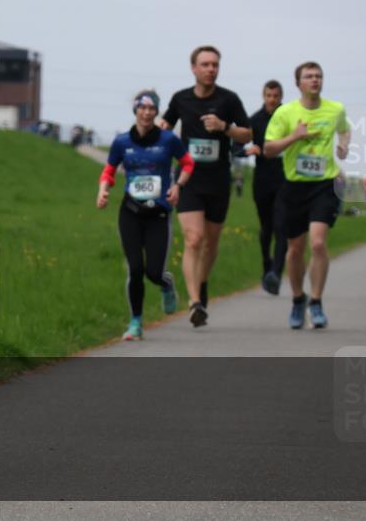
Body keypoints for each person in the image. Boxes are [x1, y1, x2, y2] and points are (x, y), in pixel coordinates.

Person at [159, 46, 251, 327]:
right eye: (205, 64)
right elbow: (166, 125)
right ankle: (195, 301)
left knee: (211, 243)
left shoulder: (229, 99)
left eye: (215, 64)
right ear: (194, 68)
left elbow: (247, 133)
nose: (211, 69)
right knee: (194, 239)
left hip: (218, 180)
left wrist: (224, 127)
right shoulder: (181, 99)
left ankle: (203, 281)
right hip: (189, 179)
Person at [97, 90, 194, 340]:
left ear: (156, 112)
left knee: (153, 271)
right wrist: (103, 191)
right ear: (136, 110)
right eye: (143, 108)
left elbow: (188, 163)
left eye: (152, 109)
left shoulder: (168, 139)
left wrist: (178, 186)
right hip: (130, 212)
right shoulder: (121, 142)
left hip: (158, 213)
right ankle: (135, 322)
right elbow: (109, 170)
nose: (147, 113)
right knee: (136, 268)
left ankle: (165, 283)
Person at [264, 61, 350, 329]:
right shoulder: (285, 113)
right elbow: (268, 149)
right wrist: (294, 136)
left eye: (319, 76)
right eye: (309, 76)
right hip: (295, 187)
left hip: (325, 184)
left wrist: (343, 145)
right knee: (294, 250)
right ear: (298, 83)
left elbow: (344, 128)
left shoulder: (335, 109)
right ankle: (298, 299)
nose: (315, 80)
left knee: (318, 243)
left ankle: (316, 301)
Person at [233, 80, 288, 295]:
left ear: (281, 96)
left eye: (276, 96)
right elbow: (236, 148)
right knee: (267, 229)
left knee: (281, 227)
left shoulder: (290, 118)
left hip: (286, 180)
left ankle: (276, 273)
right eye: (269, 96)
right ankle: (267, 264)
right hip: (263, 181)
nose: (272, 100)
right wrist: (248, 150)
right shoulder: (254, 120)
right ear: (263, 96)